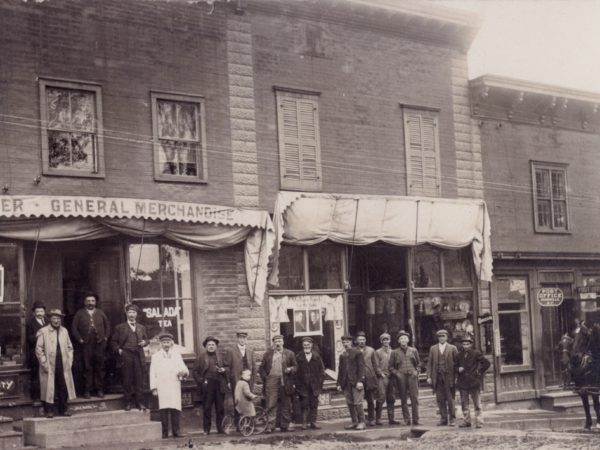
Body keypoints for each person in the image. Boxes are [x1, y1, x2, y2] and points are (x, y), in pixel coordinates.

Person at [35, 309, 76, 418]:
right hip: (49, 363)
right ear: (50, 319)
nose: (56, 320)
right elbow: (39, 349)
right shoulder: (43, 331)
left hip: (62, 363)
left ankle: (64, 409)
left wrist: (69, 361)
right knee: (49, 387)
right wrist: (44, 363)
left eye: (58, 318)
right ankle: (49, 410)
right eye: (54, 318)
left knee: (63, 386)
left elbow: (70, 347)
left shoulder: (64, 331)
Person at [71, 292, 110, 398]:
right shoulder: (80, 313)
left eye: (92, 301)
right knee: (87, 367)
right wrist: (80, 340)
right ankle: (87, 390)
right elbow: (74, 329)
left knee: (100, 367)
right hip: (86, 345)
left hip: (99, 344)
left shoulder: (100, 313)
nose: (90, 303)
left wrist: (105, 338)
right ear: (84, 302)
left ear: (95, 302)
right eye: (88, 301)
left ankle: (99, 390)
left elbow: (108, 327)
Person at [150, 332, 189, 439]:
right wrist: (154, 388)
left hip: (174, 385)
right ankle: (165, 433)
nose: (166, 344)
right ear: (161, 344)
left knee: (175, 408)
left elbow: (184, 368)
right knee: (163, 409)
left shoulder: (176, 355)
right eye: (164, 342)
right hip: (162, 386)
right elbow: (152, 373)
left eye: (168, 342)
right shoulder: (156, 356)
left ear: (171, 343)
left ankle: (176, 432)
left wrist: (184, 373)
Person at [111, 303, 149, 410]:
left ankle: (139, 403)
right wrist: (119, 350)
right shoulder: (120, 327)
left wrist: (144, 342)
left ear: (136, 314)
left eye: (134, 312)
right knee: (127, 380)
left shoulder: (141, 327)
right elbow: (113, 341)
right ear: (126, 314)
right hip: (126, 355)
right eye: (130, 312)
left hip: (138, 355)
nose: (132, 315)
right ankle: (127, 403)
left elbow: (147, 340)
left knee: (139, 380)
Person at [259, 334, 297, 433]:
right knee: (271, 404)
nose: (278, 343)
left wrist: (290, 369)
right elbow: (261, 368)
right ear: (273, 343)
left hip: (285, 381)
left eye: (279, 341)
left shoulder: (290, 353)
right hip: (271, 381)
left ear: (283, 342)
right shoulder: (268, 354)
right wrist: (266, 378)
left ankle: (285, 426)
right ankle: (270, 426)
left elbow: (296, 367)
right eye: (276, 341)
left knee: (286, 404)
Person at [193, 336, 228, 435]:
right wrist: (201, 381)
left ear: (216, 346)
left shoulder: (221, 356)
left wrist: (224, 370)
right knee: (207, 407)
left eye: (213, 345)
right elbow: (195, 372)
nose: (211, 346)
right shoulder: (201, 357)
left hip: (219, 383)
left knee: (220, 407)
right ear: (206, 346)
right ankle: (206, 429)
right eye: (209, 345)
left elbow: (227, 367)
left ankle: (220, 428)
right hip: (207, 384)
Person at [455, 335, 491, 428]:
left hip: (473, 382)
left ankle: (479, 422)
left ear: (470, 344)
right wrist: (458, 369)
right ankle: (467, 421)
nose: (465, 346)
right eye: (464, 344)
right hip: (463, 382)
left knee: (477, 404)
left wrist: (479, 371)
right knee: (464, 404)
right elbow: (454, 366)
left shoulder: (476, 353)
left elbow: (486, 363)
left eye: (467, 344)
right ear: (461, 345)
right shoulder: (458, 355)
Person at [224, 331, 257, 429]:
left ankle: (248, 424)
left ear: (247, 339)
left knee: (248, 401)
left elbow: (254, 367)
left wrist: (253, 380)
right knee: (238, 401)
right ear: (237, 339)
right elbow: (227, 367)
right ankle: (239, 425)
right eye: (240, 338)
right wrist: (229, 381)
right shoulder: (231, 351)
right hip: (236, 381)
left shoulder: (250, 351)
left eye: (244, 338)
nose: (242, 340)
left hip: (248, 381)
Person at [427, 329, 459, 426]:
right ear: (438, 338)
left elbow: (457, 363)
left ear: (447, 337)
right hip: (437, 377)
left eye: (443, 336)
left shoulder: (452, 348)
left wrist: (457, 376)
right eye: (439, 337)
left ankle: (452, 419)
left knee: (450, 399)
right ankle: (443, 418)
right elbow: (430, 363)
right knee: (440, 399)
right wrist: (429, 376)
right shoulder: (433, 348)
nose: (441, 338)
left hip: (449, 377)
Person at [389, 330, 420, 426]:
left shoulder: (413, 350)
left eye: (405, 338)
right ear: (398, 341)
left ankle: (416, 419)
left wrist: (416, 372)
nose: (403, 340)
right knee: (403, 398)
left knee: (414, 398)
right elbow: (391, 367)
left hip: (412, 376)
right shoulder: (394, 352)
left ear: (408, 340)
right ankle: (407, 419)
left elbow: (419, 364)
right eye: (401, 338)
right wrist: (397, 374)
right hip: (401, 377)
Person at [295, 336, 325, 430]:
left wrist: (320, 383)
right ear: (302, 346)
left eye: (308, 345)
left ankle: (313, 422)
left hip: (314, 385)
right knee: (304, 404)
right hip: (303, 386)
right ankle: (304, 423)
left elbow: (322, 371)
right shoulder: (298, 357)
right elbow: (295, 372)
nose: (306, 346)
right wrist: (297, 384)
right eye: (305, 345)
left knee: (314, 404)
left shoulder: (316, 356)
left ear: (311, 345)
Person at [337, 334, 366, 430]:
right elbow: (340, 370)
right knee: (350, 403)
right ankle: (354, 422)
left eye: (348, 342)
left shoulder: (357, 353)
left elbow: (361, 368)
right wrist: (339, 383)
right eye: (344, 342)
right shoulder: (343, 355)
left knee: (358, 402)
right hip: (346, 383)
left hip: (356, 382)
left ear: (351, 342)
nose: (346, 344)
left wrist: (360, 381)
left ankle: (362, 422)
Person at [356, 331, 382, 426]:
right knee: (358, 400)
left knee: (370, 400)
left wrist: (378, 374)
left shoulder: (371, 350)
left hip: (369, 377)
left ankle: (371, 418)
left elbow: (375, 364)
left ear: (365, 340)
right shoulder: (354, 351)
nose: (362, 341)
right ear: (357, 341)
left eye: (363, 339)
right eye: (360, 340)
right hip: (358, 379)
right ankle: (360, 420)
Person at [375, 332, 399, 425]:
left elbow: (396, 364)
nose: (386, 341)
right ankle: (378, 418)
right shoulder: (377, 352)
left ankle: (391, 418)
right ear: (381, 341)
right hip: (382, 377)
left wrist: (395, 373)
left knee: (391, 397)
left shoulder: (393, 352)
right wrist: (380, 373)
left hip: (392, 376)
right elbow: (376, 365)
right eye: (384, 340)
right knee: (381, 397)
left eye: (387, 339)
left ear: (390, 340)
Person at [26, 301, 47, 401]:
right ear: (34, 312)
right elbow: (29, 339)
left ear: (44, 312)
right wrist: (37, 335)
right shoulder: (30, 323)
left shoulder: (48, 321)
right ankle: (36, 396)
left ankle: (47, 395)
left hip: (47, 353)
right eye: (37, 311)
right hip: (35, 354)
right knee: (36, 375)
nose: (39, 313)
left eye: (41, 311)